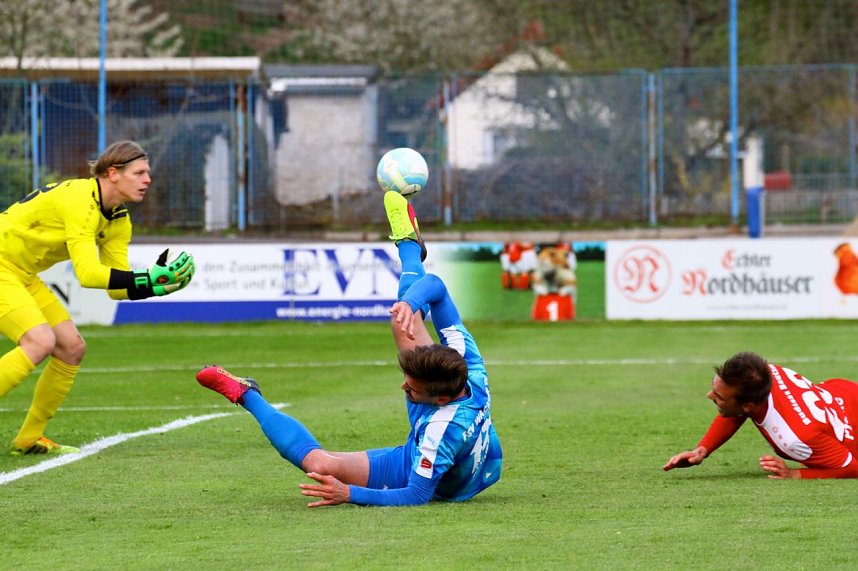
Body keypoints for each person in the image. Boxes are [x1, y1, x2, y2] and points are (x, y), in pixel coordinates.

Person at [196, 190, 502, 507]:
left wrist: (348, 493)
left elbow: (416, 494)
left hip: (447, 480)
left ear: (437, 400)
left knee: (321, 466)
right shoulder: (466, 360)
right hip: (443, 425)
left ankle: (246, 393)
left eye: (411, 388)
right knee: (402, 320)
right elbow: (436, 286)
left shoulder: (440, 432)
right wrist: (411, 304)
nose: (402, 385)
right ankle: (409, 244)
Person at [0, 140, 195, 456]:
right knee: (39, 342)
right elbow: (88, 274)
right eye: (140, 172)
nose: (148, 180)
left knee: (72, 349)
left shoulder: (119, 220)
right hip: (1, 264)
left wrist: (159, 286)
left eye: (148, 173)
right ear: (113, 173)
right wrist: (149, 278)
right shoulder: (81, 199)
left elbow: (116, 287)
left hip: (23, 274)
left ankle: (28, 439)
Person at [663, 351, 858, 479]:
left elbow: (851, 468)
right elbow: (735, 411)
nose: (709, 396)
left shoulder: (793, 437)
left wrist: (794, 474)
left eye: (719, 396)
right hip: (846, 393)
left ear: (749, 406)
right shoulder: (765, 374)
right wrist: (702, 450)